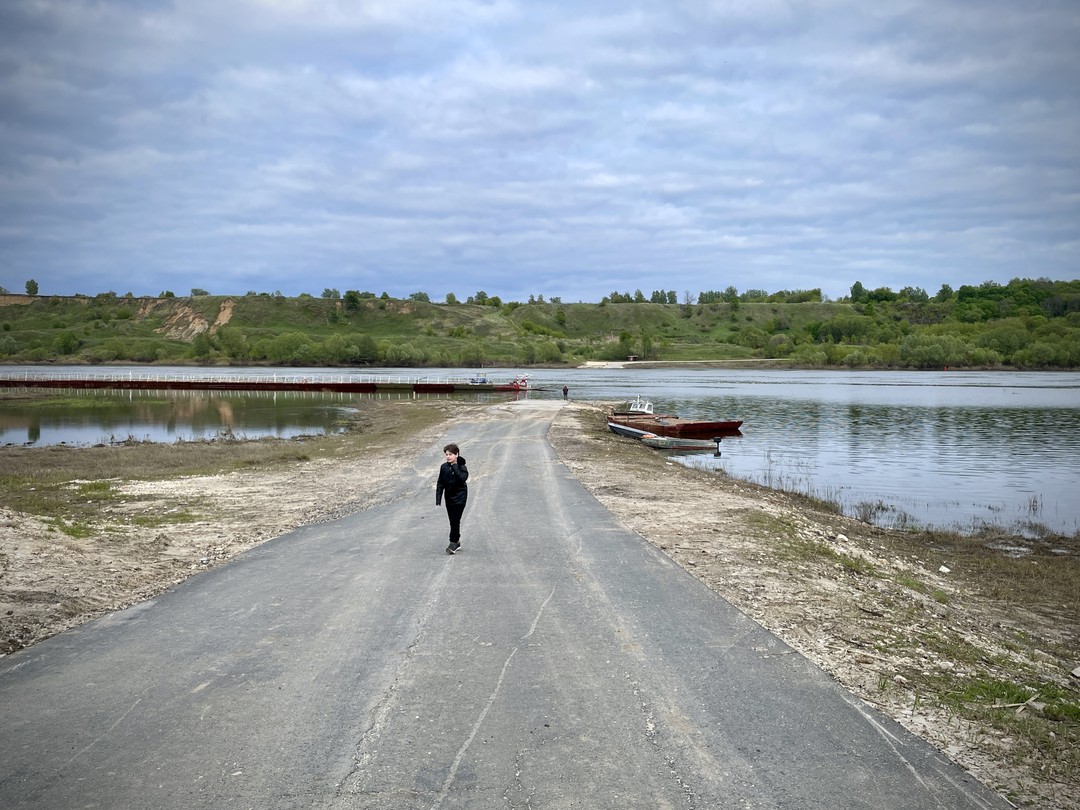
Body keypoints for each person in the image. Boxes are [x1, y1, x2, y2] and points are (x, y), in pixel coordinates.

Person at [435, 443, 469, 555]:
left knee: (455, 520)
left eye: (450, 454)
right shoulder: (443, 467)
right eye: (446, 454)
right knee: (452, 521)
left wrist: (455, 465)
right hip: (449, 498)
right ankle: (457, 542)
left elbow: (462, 479)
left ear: (456, 454)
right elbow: (440, 483)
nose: (448, 456)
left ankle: (453, 542)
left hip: (460, 497)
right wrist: (438, 498)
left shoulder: (462, 467)